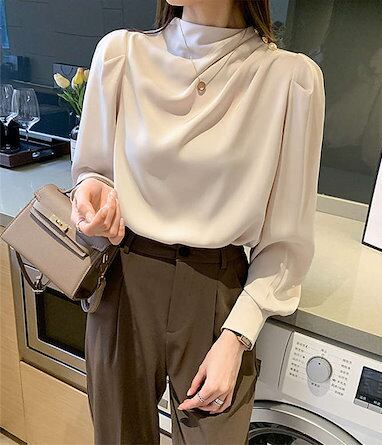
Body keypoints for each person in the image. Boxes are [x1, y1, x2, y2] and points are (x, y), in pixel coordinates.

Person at [69, 0, 325, 444]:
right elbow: (92, 172)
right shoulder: (120, 55)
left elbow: (285, 240)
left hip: (217, 294)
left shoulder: (290, 80)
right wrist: (92, 196)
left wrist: (237, 337)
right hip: (125, 282)